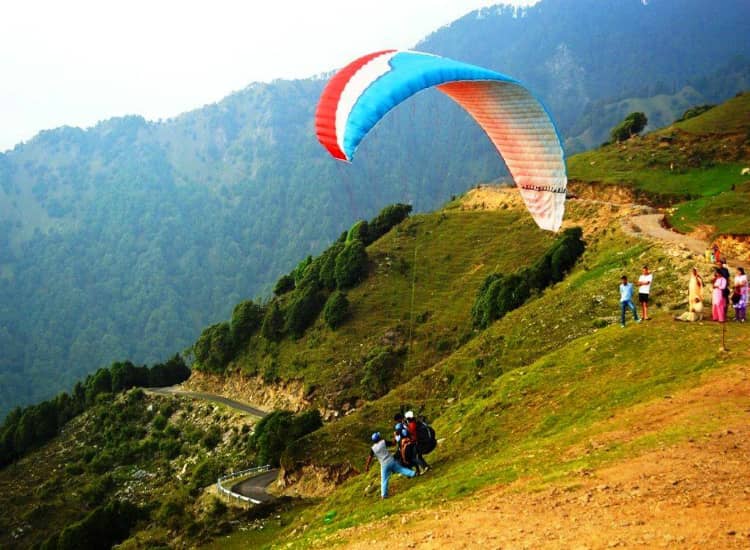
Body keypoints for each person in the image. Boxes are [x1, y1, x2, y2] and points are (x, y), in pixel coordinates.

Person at [365, 432, 416, 499]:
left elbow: (369, 458)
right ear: (379, 438)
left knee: (384, 479)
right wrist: (395, 437)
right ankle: (413, 473)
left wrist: (367, 466)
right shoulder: (383, 442)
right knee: (401, 469)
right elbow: (393, 443)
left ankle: (384, 495)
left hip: (384, 465)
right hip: (391, 460)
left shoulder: (373, 448)